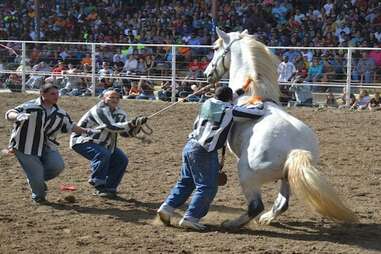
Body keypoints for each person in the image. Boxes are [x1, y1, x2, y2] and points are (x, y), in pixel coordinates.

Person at [157, 86, 265, 231]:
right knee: (207, 187)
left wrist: (240, 91)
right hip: (205, 151)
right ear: (228, 98)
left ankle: (166, 208)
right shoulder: (230, 110)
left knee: (186, 182)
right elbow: (258, 113)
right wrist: (258, 102)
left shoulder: (208, 103)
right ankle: (191, 218)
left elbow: (228, 99)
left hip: (190, 146)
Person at [4, 83, 89, 203]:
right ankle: (38, 197)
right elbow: (9, 113)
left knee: (57, 166)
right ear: (43, 94)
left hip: (47, 145)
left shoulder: (60, 112)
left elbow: (71, 125)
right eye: (52, 94)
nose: (56, 96)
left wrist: (86, 131)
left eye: (57, 93)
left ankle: (35, 180)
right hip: (24, 146)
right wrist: (17, 116)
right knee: (36, 173)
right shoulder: (30, 106)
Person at [70, 90, 147, 198]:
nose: (114, 100)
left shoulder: (121, 113)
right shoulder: (98, 110)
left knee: (121, 159)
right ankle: (98, 183)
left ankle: (110, 188)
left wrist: (136, 127)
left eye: (117, 98)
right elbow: (110, 126)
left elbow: (125, 134)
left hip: (105, 144)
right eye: (111, 97)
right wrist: (131, 123)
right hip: (83, 140)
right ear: (103, 98)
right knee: (103, 154)